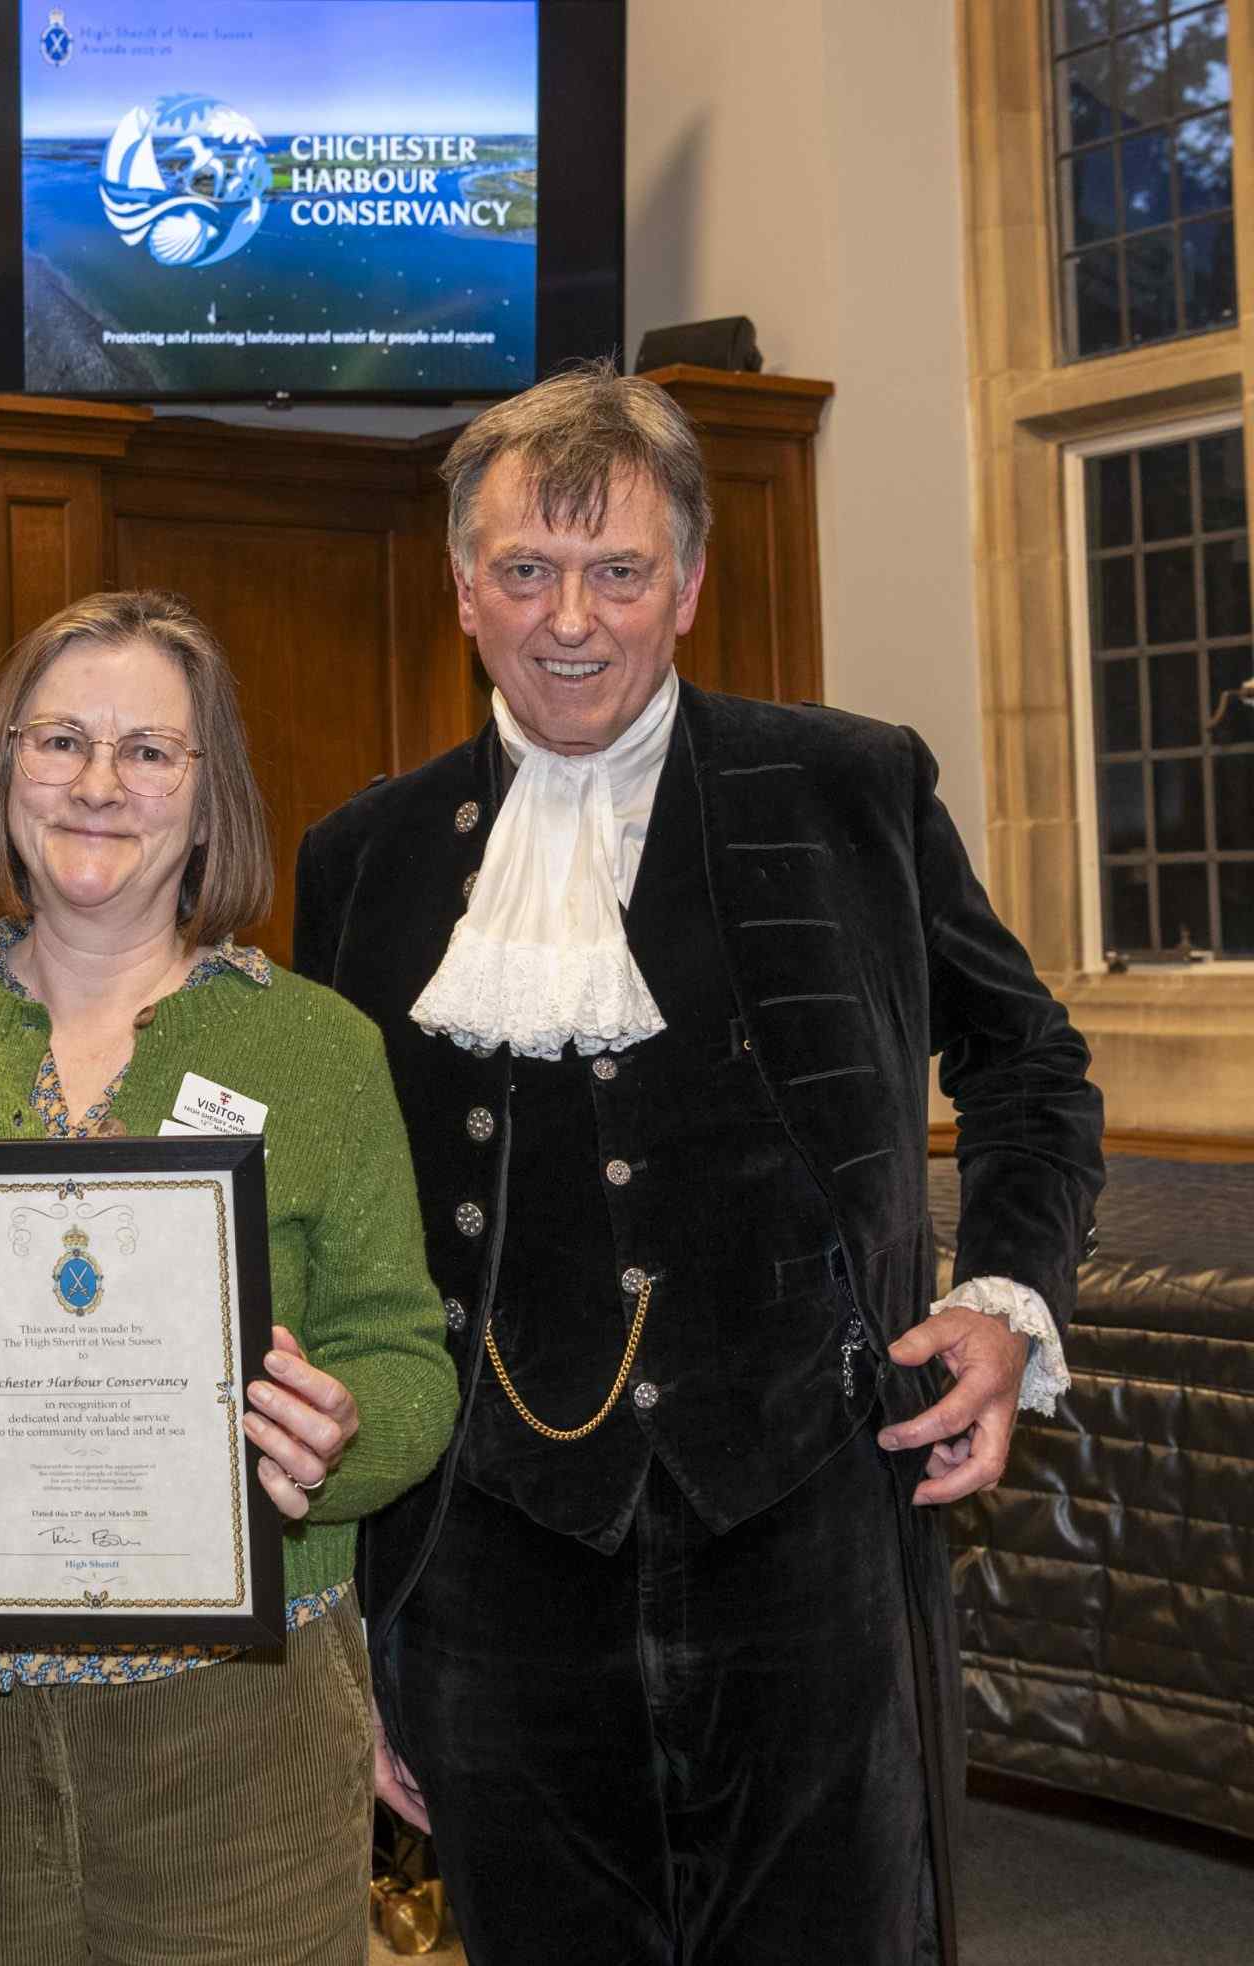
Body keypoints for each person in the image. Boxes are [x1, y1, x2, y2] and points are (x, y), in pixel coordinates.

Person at [293, 362, 1105, 1965]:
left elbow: (1030, 1065)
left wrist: (1008, 1296)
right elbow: (326, 1242)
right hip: (488, 1564)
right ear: (463, 588)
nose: (570, 617)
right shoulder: (363, 858)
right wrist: (348, 1618)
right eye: (526, 568)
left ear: (690, 586)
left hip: (809, 1532)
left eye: (619, 569)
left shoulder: (851, 786)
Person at [0, 589, 458, 1965]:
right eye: (60, 739)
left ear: (210, 790)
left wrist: (342, 1428)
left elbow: (406, 1356)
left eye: (148, 750)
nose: (98, 783)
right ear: (5, 769)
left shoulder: (320, 1050)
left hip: (237, 1729)